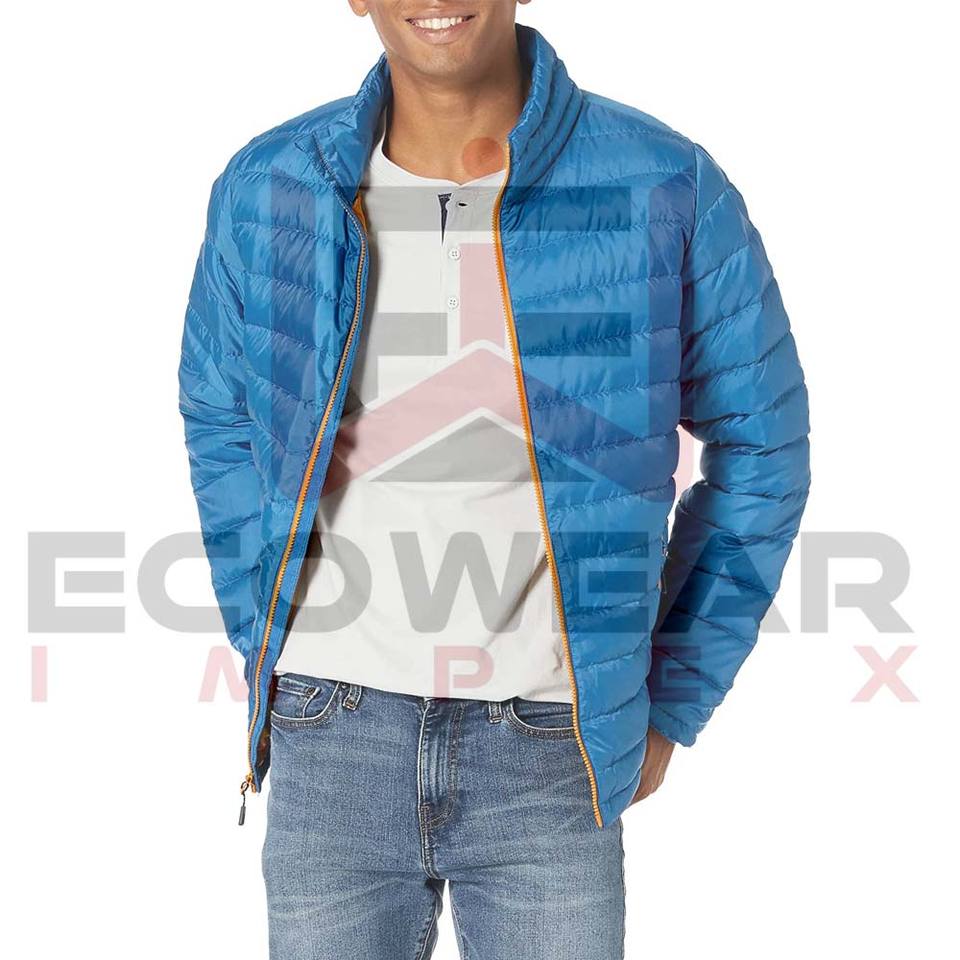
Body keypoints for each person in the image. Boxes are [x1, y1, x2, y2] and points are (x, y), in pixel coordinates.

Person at [177, 3, 811, 957]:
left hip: (553, 746)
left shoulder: (665, 184)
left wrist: (672, 696)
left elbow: (765, 448)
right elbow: (218, 415)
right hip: (331, 729)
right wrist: (267, 636)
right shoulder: (272, 187)